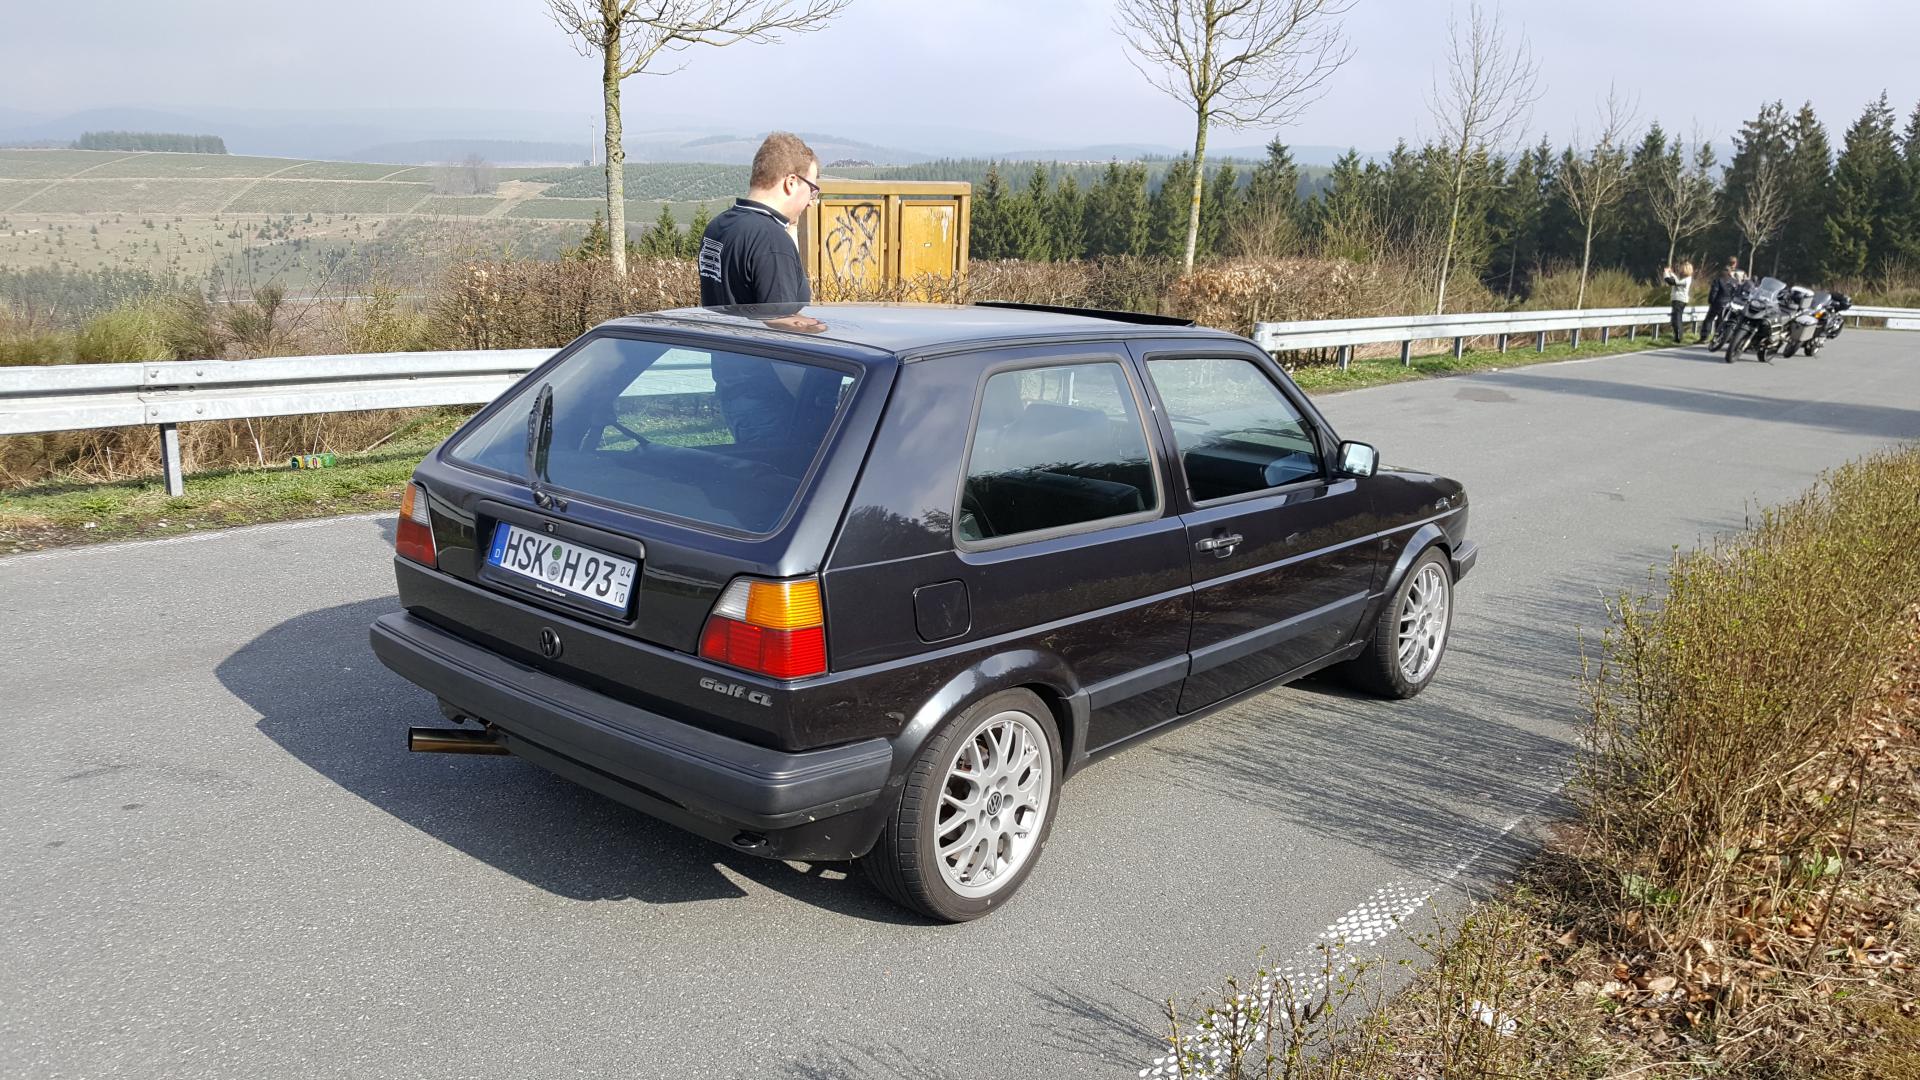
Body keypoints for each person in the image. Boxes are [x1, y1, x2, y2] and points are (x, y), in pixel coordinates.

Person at [1698, 256, 1745, 344]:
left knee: (1709, 320)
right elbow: (1734, 293)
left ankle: (1704, 337)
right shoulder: (1734, 282)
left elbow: (1714, 292)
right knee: (1721, 321)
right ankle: (1718, 337)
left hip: (1717, 303)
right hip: (1727, 304)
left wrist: (1711, 301)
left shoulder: (1718, 280)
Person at [1661, 260, 1693, 343]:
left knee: (1676, 319)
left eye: (1682, 268)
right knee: (1677, 318)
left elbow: (1672, 282)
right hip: (1681, 300)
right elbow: (1676, 280)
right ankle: (1679, 336)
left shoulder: (1686, 280)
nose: (1680, 270)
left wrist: (1666, 273)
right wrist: (1671, 273)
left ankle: (1678, 337)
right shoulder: (1686, 278)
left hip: (1679, 300)